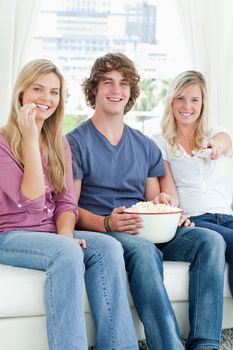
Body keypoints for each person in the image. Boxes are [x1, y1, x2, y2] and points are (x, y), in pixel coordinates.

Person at [67, 52, 225, 350]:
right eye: (108, 82)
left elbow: (154, 200)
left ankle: (205, 343)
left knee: (210, 240)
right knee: (143, 250)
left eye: (124, 83)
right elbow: (69, 208)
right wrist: (106, 222)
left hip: (144, 228)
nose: (116, 90)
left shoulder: (143, 145)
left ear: (131, 91)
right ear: (94, 90)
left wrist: (167, 206)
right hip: (105, 230)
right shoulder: (75, 142)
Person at [0, 59, 139, 350]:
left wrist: (66, 235)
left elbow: (66, 202)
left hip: (51, 233)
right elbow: (33, 201)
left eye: (54, 92)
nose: (46, 98)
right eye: (38, 89)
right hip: (9, 235)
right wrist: (29, 138)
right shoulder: (3, 142)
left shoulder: (59, 143)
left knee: (108, 247)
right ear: (21, 94)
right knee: (66, 252)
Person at [153, 70, 233, 350]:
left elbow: (225, 142)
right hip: (195, 219)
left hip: (227, 216)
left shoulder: (214, 134)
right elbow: (169, 189)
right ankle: (205, 343)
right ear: (171, 101)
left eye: (195, 100)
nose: (187, 106)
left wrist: (215, 146)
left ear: (203, 104)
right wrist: (171, 207)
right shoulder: (160, 142)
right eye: (181, 98)